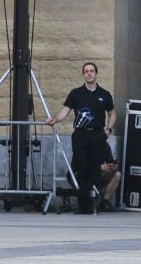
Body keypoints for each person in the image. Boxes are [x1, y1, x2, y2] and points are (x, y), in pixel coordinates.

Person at [46, 62, 116, 215]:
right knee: (82, 169)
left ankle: (92, 205)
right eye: (86, 71)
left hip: (97, 134)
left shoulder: (104, 94)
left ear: (96, 73)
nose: (89, 73)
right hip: (80, 135)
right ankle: (82, 205)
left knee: (94, 169)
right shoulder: (76, 93)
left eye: (92, 71)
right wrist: (55, 120)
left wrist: (108, 130)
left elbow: (112, 114)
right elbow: (65, 111)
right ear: (83, 74)